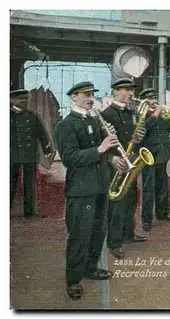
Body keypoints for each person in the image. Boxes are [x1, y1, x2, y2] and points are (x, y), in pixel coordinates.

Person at [53, 81, 119, 300]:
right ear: (74, 97)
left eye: (92, 94)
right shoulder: (66, 125)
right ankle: (73, 280)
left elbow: (103, 153)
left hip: (100, 185)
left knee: (98, 232)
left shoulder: (93, 120)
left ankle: (91, 268)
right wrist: (100, 148)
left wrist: (113, 157)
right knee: (80, 235)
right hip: (81, 190)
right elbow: (70, 158)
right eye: (85, 95)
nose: (91, 98)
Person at [101, 78, 147, 259]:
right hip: (116, 164)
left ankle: (129, 233)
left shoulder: (131, 112)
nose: (131, 93)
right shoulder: (106, 114)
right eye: (126, 90)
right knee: (117, 204)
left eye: (132, 90)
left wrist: (136, 139)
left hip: (130, 161)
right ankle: (114, 242)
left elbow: (130, 137)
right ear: (115, 92)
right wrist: (111, 158)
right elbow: (100, 142)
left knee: (131, 199)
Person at [138, 88, 170, 231]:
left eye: (154, 97)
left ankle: (162, 213)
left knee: (164, 186)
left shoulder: (161, 114)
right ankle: (146, 220)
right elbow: (141, 133)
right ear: (143, 100)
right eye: (149, 98)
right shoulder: (140, 115)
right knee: (149, 189)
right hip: (149, 156)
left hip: (164, 153)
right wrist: (154, 116)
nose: (153, 100)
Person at [10, 89, 52, 219]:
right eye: (22, 100)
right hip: (10, 155)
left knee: (30, 184)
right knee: (9, 183)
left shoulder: (32, 115)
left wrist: (47, 150)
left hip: (29, 154)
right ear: (12, 100)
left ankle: (30, 213)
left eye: (26, 99)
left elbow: (42, 133)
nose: (25, 102)